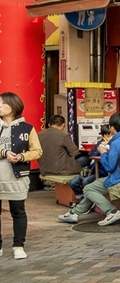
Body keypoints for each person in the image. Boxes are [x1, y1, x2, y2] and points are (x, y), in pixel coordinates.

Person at [58, 113, 120, 227]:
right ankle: (74, 213)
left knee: (88, 188)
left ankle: (112, 212)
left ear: (112, 127)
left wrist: (103, 153)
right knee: (93, 187)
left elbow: (109, 167)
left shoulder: (116, 142)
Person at [0, 93, 42, 260]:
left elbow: (37, 151)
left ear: (13, 107)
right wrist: (3, 152)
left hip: (16, 176)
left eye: (3, 103)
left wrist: (22, 157)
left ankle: (19, 245)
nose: (0, 106)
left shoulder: (28, 128)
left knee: (18, 211)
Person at [70, 125, 111, 200]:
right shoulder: (99, 143)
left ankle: (88, 201)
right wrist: (101, 147)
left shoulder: (114, 145)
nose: (108, 138)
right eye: (106, 136)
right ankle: (81, 198)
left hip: (103, 172)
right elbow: (91, 155)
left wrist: (105, 149)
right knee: (73, 182)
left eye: (110, 135)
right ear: (102, 136)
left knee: (86, 181)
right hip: (93, 170)